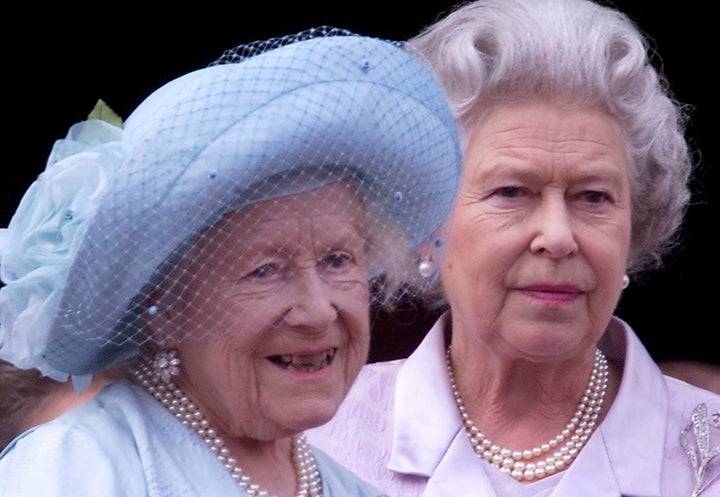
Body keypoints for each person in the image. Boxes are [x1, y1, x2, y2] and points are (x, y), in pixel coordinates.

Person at [0, 27, 461, 496]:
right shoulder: (76, 469)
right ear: (164, 310)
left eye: (338, 261)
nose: (319, 310)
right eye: (265, 271)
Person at [306, 1, 720, 496]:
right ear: (422, 220)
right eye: (511, 192)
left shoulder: (707, 453)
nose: (558, 236)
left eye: (593, 197)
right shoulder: (312, 442)